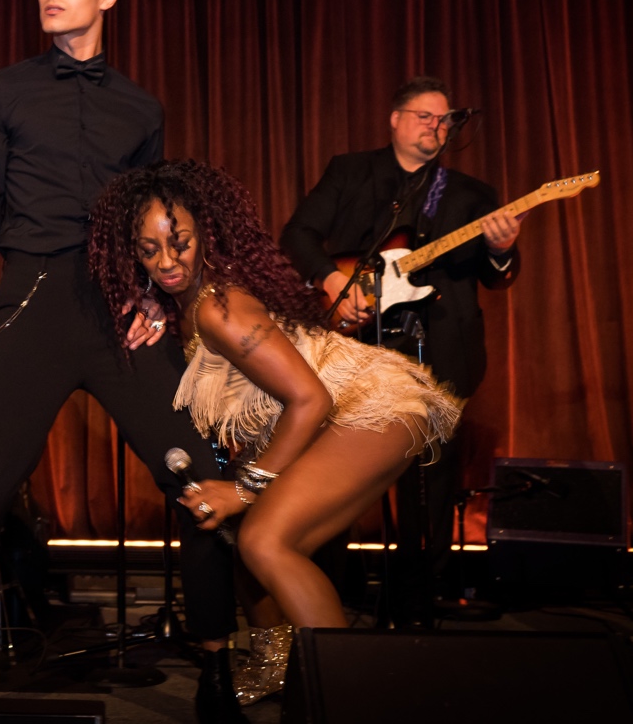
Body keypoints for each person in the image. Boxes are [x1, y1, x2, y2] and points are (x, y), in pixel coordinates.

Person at [0, 0, 245, 723]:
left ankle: (216, 664)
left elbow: (156, 223)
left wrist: (156, 300)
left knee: (201, 484)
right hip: (29, 300)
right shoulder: (0, 91)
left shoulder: (140, 107)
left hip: (115, 312)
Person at [89, 160, 463, 705]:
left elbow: (311, 399)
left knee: (267, 539)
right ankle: (276, 665)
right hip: (334, 416)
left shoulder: (220, 308)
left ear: (206, 234)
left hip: (370, 409)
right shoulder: (185, 304)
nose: (167, 261)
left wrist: (245, 487)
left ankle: (346, 696)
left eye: (181, 243)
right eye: (149, 250)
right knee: (247, 540)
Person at [278, 76, 522, 626]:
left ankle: (418, 599)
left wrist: (502, 250)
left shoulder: (470, 194)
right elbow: (297, 235)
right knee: (337, 465)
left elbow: (497, 277)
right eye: (423, 117)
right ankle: (328, 594)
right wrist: (331, 287)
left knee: (430, 477)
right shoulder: (351, 171)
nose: (435, 127)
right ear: (394, 119)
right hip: (356, 341)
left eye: (443, 120)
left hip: (441, 345)